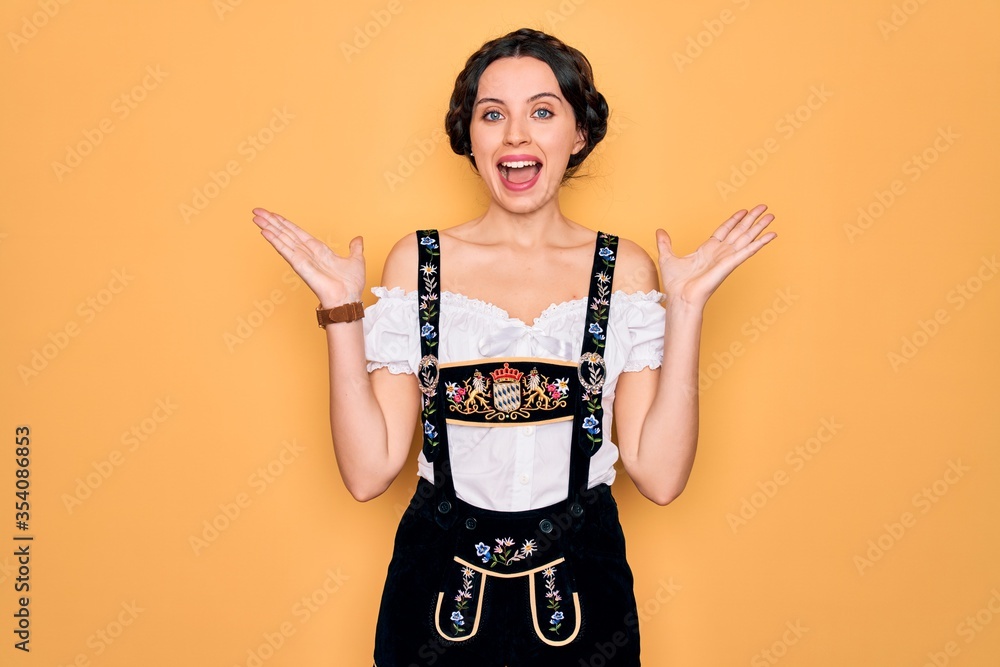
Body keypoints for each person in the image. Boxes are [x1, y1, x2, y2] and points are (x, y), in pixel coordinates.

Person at [251, 27, 775, 667]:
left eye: (543, 111)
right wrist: (341, 311)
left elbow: (660, 478)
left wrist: (687, 307)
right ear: (469, 138)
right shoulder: (418, 262)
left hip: (585, 595)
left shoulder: (625, 270)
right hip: (435, 593)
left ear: (577, 134)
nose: (516, 135)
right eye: (492, 114)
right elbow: (368, 472)